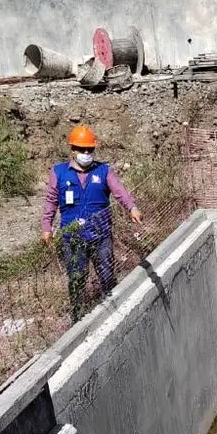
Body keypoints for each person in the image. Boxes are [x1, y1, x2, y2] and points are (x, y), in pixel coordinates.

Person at [41, 125, 143, 322]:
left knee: (106, 275)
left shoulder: (104, 171)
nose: (86, 153)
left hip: (101, 236)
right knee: (77, 278)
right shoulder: (59, 172)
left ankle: (113, 314)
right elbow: (51, 201)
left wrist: (132, 208)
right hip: (73, 238)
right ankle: (78, 317)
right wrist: (47, 227)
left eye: (90, 150)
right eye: (82, 149)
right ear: (72, 150)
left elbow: (120, 192)